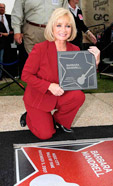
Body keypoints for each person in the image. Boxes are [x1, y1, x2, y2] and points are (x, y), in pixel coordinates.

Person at [20, 8, 100, 140]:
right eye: (59, 25)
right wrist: (49, 86)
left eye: (67, 26)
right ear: (52, 28)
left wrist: (94, 64)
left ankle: (59, 120)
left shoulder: (75, 49)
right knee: (46, 134)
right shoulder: (40, 48)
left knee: (78, 96)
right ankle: (29, 116)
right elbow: (26, 75)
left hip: (61, 94)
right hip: (39, 97)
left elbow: (81, 80)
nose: (63, 30)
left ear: (72, 29)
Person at [0, 3, 13, 80]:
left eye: (3, 7)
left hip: (8, 41)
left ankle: (7, 74)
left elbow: (12, 27)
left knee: (8, 57)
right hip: (0, 41)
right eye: (0, 7)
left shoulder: (9, 17)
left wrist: (11, 32)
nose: (2, 9)